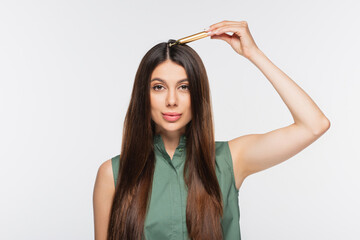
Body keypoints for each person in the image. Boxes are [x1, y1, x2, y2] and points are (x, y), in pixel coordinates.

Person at [93, 20, 330, 240]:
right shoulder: (112, 174)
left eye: (184, 86)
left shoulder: (230, 160)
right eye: (158, 87)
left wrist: (253, 53)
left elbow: (314, 125)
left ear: (198, 94)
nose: (172, 100)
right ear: (143, 96)